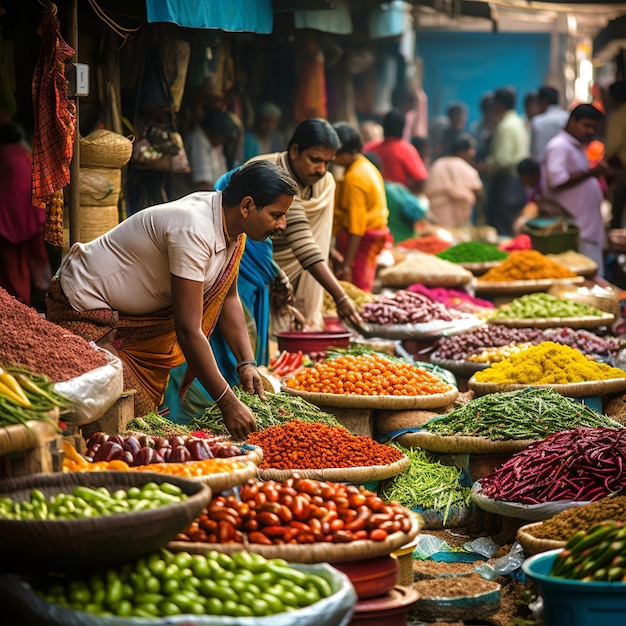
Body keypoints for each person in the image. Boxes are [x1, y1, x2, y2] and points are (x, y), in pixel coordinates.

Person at [46, 161, 300, 438]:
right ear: (247, 206)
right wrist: (227, 402)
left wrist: (246, 363)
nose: (283, 224)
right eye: (276, 215)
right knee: (121, 416)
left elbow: (228, 297)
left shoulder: (232, 230)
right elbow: (188, 330)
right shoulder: (194, 229)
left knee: (138, 425)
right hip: (86, 309)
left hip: (131, 321)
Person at [246, 118, 361, 332]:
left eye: (328, 163)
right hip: (253, 270)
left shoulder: (325, 184)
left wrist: (329, 250)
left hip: (302, 271)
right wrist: (341, 297)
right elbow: (305, 245)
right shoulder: (270, 174)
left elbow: (315, 234)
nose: (321, 170)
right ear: (295, 151)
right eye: (315, 159)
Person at [541, 104, 609, 271]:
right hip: (577, 228)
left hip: (585, 227)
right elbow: (557, 180)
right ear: (573, 121)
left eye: (593, 127)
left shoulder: (576, 146)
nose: (590, 131)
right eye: (586, 125)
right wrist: (590, 173)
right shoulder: (560, 147)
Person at [331, 122, 390, 292]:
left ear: (348, 153)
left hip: (362, 239)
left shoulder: (354, 178)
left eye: (336, 154)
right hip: (375, 232)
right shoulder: (366, 165)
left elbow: (356, 227)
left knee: (356, 287)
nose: (332, 158)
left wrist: (347, 264)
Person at [0, 117, 51, 307]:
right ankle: (22, 306)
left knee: (11, 272)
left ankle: (17, 308)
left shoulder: (8, 154)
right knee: (18, 271)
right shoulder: (22, 153)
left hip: (9, 220)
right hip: (24, 217)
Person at [484, 86, 529, 237]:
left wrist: (488, 165)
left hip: (506, 182)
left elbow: (503, 160)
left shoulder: (505, 126)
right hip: (517, 181)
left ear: (499, 105)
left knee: (503, 228)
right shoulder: (518, 122)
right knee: (511, 224)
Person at [364, 151, 429, 245]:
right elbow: (418, 210)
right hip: (407, 240)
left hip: (385, 243)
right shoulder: (397, 189)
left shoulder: (370, 192)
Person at [424, 134, 483, 230]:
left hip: (435, 224)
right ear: (462, 152)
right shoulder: (467, 169)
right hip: (460, 225)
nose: (473, 153)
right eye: (471, 150)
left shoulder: (436, 165)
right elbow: (479, 191)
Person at [364, 109, 428, 195]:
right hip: (398, 203)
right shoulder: (406, 150)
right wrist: (408, 195)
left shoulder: (369, 148)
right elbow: (421, 178)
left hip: (372, 196)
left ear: (384, 127)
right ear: (402, 128)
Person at [184, 108, 240, 191]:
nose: (224, 142)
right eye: (224, 138)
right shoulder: (198, 141)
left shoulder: (215, 144)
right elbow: (202, 184)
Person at [604, 81, 626, 229]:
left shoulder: (618, 115)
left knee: (618, 208)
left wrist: (604, 163)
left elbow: (613, 144)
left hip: (623, 167)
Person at [530, 86, 570, 162]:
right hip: (566, 163)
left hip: (544, 167)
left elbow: (535, 153)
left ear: (542, 102)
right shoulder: (568, 117)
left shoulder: (537, 122)